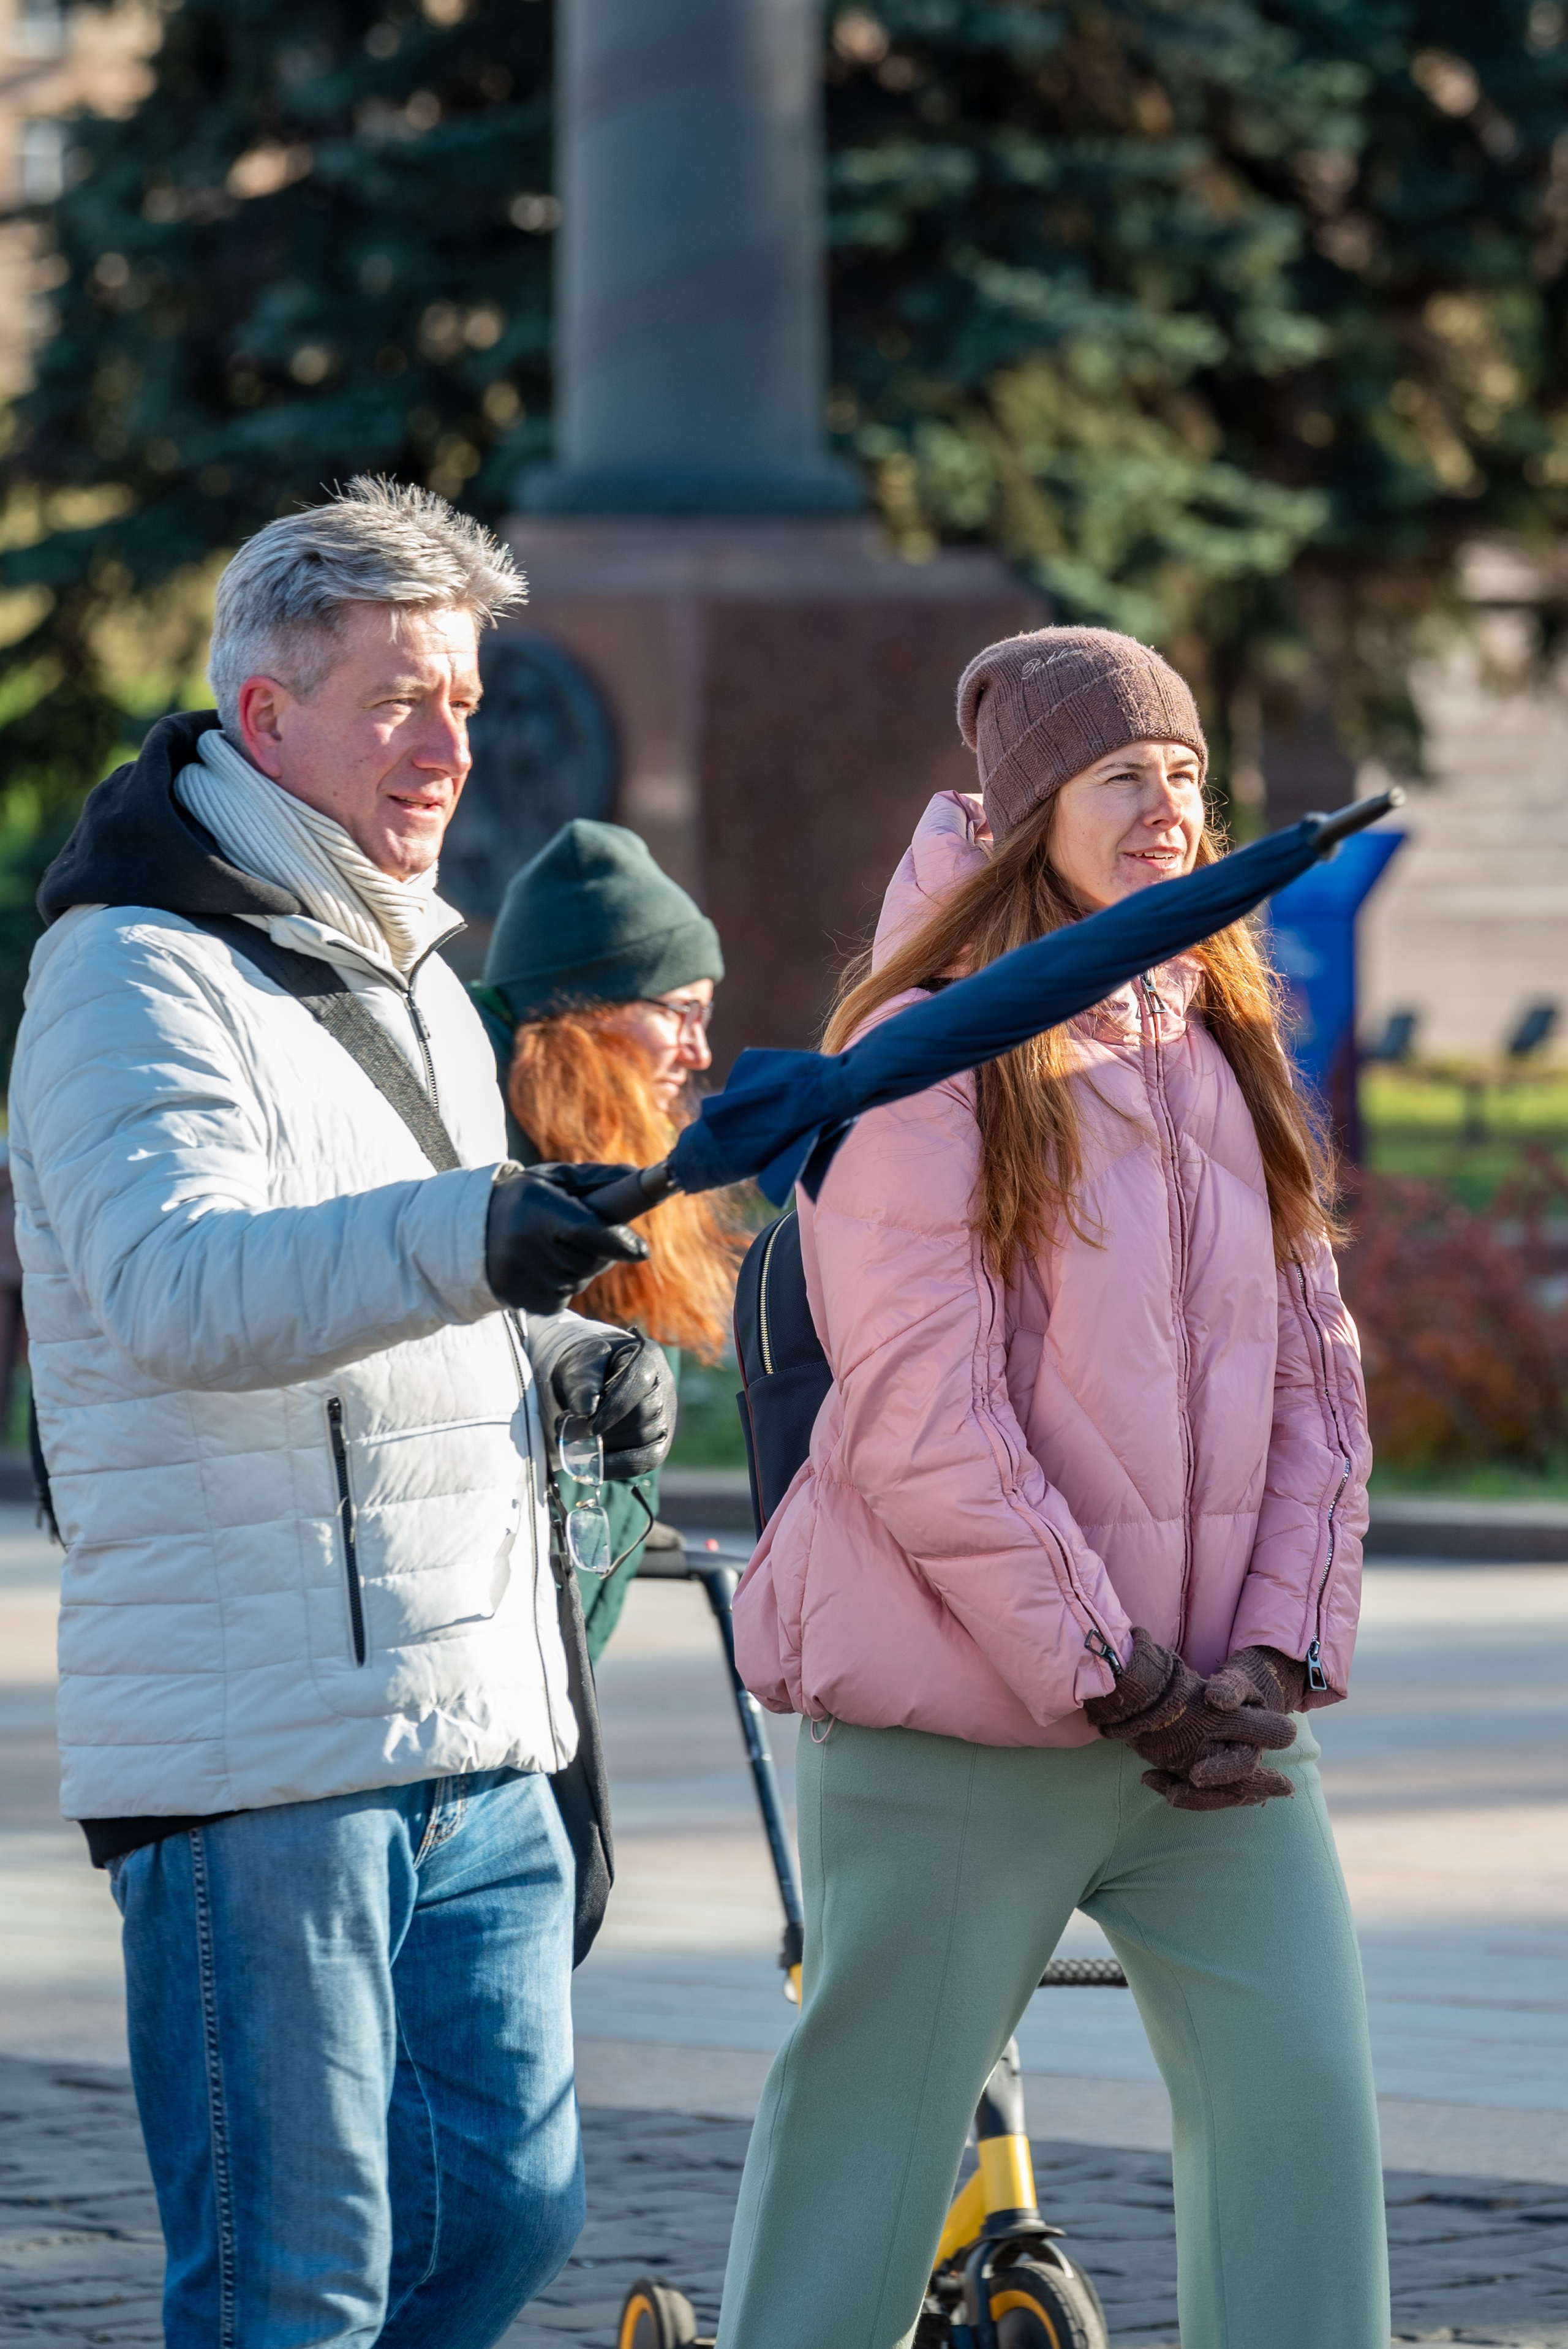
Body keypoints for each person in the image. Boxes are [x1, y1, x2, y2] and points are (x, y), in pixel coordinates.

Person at [8, 477, 675, 2349]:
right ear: (264, 714)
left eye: (465, 694)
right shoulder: (131, 970)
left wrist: (567, 1369)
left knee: (509, 2207)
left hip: (476, 1729)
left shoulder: (414, 972)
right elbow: (180, 1289)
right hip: (264, 1750)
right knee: (290, 2286)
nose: (450, 741)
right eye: (402, 695)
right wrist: (479, 1232)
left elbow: (401, 1307)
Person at [724, 626, 1387, 2349]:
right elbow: (920, 1416)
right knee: (861, 2163)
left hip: (1211, 1732)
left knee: (1303, 2108)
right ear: (1032, 817)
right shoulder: (920, 1058)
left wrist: (1273, 1655)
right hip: (966, 1714)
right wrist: (1109, 1664)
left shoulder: (1227, 1044)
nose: (1170, 802)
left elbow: (1322, 1379)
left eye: (1186, 772)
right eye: (1123, 777)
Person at [472, 820, 742, 1657]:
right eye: (682, 1012)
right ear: (584, 1012)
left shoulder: (569, 1133)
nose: (699, 1051)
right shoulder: (475, 1144)